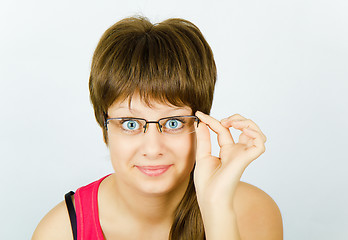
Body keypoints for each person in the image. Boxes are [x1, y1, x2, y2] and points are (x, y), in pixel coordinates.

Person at [32, 16, 283, 240]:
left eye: (173, 123)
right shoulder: (60, 232)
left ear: (202, 124)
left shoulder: (250, 211)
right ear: (104, 126)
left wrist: (216, 208)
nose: (153, 149)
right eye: (130, 124)